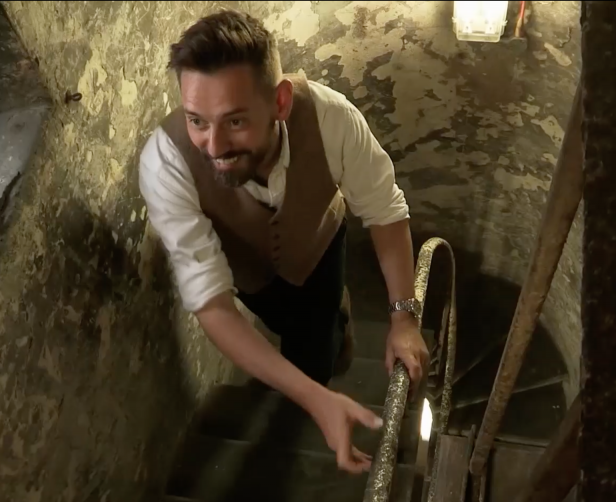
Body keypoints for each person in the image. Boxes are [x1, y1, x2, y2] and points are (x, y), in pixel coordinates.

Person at [138, 9, 429, 474]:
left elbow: (385, 210)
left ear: (280, 102)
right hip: (250, 276)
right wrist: (318, 400)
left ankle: (329, 340)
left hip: (320, 246)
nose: (212, 146)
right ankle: (319, 358)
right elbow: (213, 304)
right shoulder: (165, 163)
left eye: (235, 122)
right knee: (287, 325)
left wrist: (403, 318)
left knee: (317, 334)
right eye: (197, 120)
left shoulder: (333, 119)